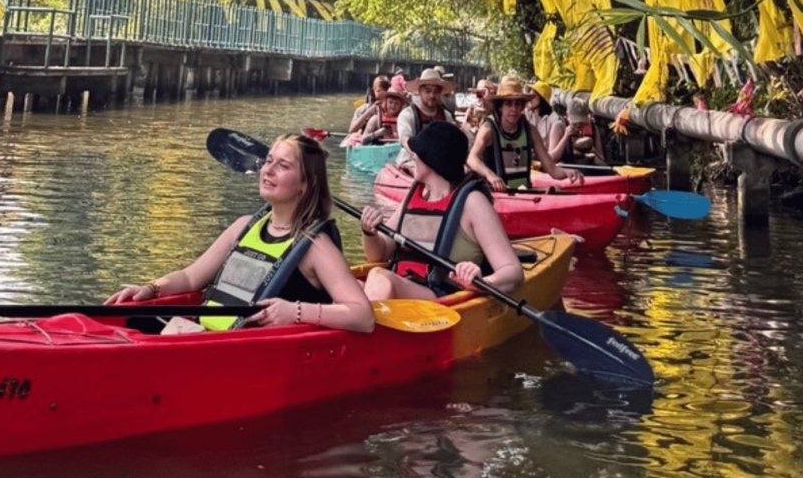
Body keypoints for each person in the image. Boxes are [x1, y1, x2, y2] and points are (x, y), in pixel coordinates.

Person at [106, 134, 374, 333]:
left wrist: (295, 312)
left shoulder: (315, 245)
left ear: (306, 184)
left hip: (248, 351)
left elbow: (363, 316)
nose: (268, 170)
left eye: (283, 166)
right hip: (204, 336)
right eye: (269, 161)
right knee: (135, 321)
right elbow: (190, 277)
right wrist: (151, 288)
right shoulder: (244, 226)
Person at [360, 122, 523, 300]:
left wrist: (481, 282)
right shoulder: (416, 193)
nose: (412, 155)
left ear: (433, 160)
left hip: (440, 298)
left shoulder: (473, 202)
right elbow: (379, 254)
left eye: (417, 152)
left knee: (380, 278)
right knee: (352, 286)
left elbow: (513, 272)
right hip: (404, 292)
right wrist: (370, 233)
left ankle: (367, 314)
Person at [468, 75, 584, 191]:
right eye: (508, 104)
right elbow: (472, 158)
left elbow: (552, 169)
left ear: (523, 107)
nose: (514, 109)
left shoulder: (530, 130)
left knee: (556, 189)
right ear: (500, 107)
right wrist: (491, 176)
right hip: (497, 195)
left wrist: (568, 173)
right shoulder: (489, 129)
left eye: (518, 104)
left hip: (524, 193)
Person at [397, 67, 455, 151]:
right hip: (411, 156)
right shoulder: (408, 115)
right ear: (420, 92)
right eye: (428, 91)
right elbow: (405, 140)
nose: (432, 95)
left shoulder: (446, 116)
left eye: (436, 92)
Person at [548, 97, 603, 164]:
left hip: (587, 166)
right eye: (575, 123)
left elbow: (602, 159)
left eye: (582, 123)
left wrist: (593, 151)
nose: (578, 126)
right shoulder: (559, 127)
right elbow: (551, 159)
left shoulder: (593, 128)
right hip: (566, 167)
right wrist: (566, 136)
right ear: (567, 116)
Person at [355, 75, 408, 141]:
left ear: (401, 105)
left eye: (397, 104)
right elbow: (363, 140)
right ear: (386, 103)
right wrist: (378, 133)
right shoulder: (376, 119)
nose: (393, 106)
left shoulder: (404, 119)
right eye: (390, 102)